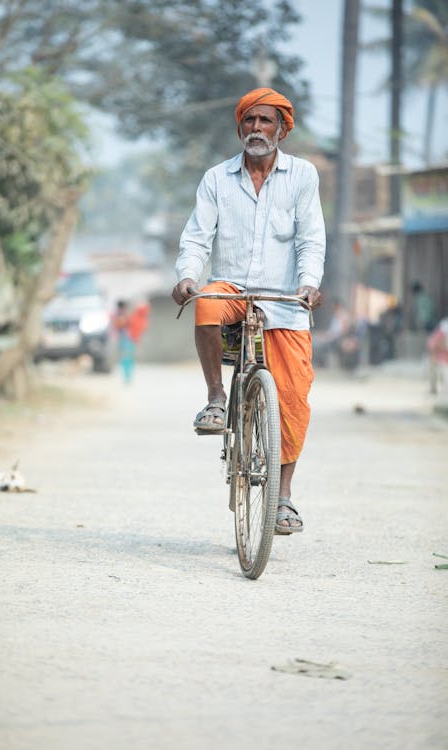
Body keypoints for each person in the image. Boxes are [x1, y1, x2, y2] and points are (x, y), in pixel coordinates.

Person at [172, 87, 325, 534]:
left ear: (281, 129)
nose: (256, 128)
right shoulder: (217, 178)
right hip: (235, 288)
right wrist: (187, 276)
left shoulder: (303, 176)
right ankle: (217, 400)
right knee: (207, 302)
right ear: (240, 126)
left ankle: (283, 498)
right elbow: (197, 237)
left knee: (294, 400)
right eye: (249, 121)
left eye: (265, 121)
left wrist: (309, 284)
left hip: (284, 300)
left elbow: (310, 238)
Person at [111, 300, 150, 384]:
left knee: (126, 358)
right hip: (127, 339)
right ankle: (127, 377)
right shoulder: (124, 316)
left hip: (126, 339)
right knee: (127, 358)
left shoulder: (121, 316)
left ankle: (127, 377)